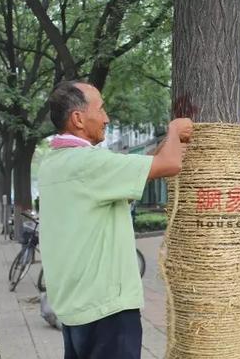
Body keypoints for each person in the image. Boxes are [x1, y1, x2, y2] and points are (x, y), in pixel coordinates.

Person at [38, 80, 192, 359]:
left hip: (74, 307)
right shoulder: (89, 163)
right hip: (106, 310)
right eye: (101, 109)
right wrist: (173, 130)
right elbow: (171, 164)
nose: (107, 118)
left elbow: (141, 168)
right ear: (78, 118)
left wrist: (161, 147)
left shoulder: (52, 164)